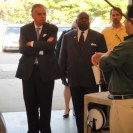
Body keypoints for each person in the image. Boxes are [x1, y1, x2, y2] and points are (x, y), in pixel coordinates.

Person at [59, 12, 107, 133]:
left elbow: (104, 60)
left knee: (93, 109)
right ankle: (81, 130)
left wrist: (103, 79)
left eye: (86, 18)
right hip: (74, 80)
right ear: (77, 20)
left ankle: (93, 130)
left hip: (91, 81)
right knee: (78, 109)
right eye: (81, 18)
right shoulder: (67, 36)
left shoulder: (98, 37)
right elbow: (62, 57)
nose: (84, 20)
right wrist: (62, 76)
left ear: (89, 21)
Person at [16, 4, 60, 133]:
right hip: (28, 72)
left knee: (46, 104)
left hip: (46, 72)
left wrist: (33, 44)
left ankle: (46, 129)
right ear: (32, 15)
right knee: (30, 104)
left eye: (44, 14)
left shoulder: (52, 28)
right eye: (39, 14)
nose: (43, 16)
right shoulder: (25, 29)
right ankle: (32, 129)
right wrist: (42, 48)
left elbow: (51, 47)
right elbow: (22, 49)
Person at [91, 4, 133, 133]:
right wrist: (108, 53)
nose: (124, 22)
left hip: (125, 103)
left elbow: (104, 63)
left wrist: (104, 55)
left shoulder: (128, 44)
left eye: (125, 19)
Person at [56, 20, 77, 118]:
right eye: (75, 24)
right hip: (68, 65)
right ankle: (66, 108)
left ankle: (76, 108)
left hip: (82, 67)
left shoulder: (89, 34)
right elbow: (59, 49)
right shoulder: (65, 34)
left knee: (79, 88)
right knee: (67, 86)